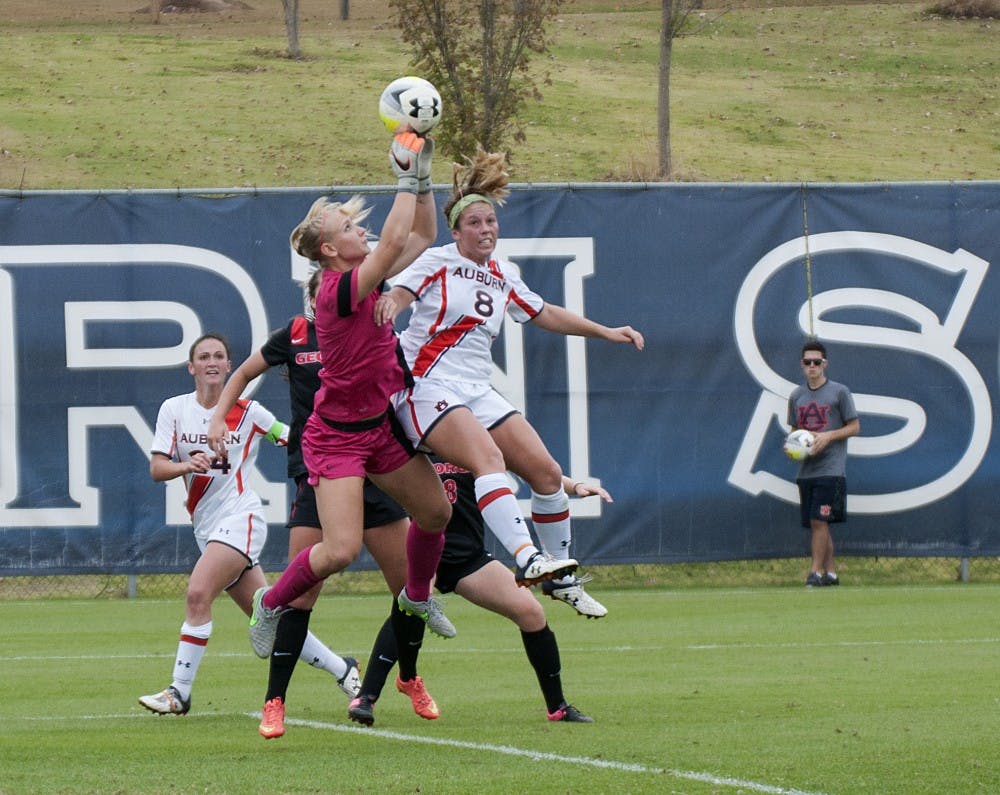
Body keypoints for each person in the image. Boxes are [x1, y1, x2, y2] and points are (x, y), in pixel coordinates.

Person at [213, 130, 457, 686]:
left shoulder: (366, 277)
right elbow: (396, 240)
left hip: (379, 430)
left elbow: (420, 231)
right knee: (341, 549)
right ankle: (270, 603)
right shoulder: (336, 290)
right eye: (348, 227)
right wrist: (403, 174)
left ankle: (417, 598)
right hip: (337, 436)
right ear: (328, 251)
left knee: (437, 512)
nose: (360, 230)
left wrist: (422, 176)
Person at [383, 147, 644, 618]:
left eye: (491, 222)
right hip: (425, 385)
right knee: (489, 460)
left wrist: (605, 331)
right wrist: (389, 307)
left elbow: (544, 313)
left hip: (475, 390)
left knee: (545, 473)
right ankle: (528, 559)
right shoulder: (436, 261)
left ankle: (560, 578)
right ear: (457, 230)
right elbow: (399, 294)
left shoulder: (503, 275)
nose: (486, 230)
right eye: (476, 223)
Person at [207, 272, 433, 739]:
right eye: (318, 293)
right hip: (321, 471)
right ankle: (274, 703)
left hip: (377, 469)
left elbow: (404, 390)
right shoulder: (293, 335)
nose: (328, 299)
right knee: (303, 593)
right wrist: (218, 417)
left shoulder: (371, 330)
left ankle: (390, 683)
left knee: (412, 590)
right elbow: (246, 372)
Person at [138, 333, 358, 716]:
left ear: (228, 367)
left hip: (242, 519)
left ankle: (179, 691)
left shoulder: (250, 413)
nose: (211, 362)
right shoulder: (174, 410)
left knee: (197, 594)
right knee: (271, 623)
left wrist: (336, 450)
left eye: (219, 356)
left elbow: (289, 439)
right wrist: (186, 465)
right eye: (203, 356)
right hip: (207, 527)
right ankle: (344, 670)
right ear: (191, 367)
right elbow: (158, 468)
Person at [348, 457, 604, 727]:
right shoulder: (411, 440)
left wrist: (573, 485)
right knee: (412, 604)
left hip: (467, 559)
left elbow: (526, 464)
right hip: (423, 552)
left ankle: (558, 708)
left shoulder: (465, 439)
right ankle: (367, 697)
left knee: (531, 613)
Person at [785, 340, 860, 587]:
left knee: (819, 520)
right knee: (818, 524)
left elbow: (854, 427)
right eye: (808, 362)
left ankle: (815, 572)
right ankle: (831, 573)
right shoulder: (796, 396)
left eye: (817, 362)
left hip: (831, 470)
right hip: (806, 471)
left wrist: (828, 436)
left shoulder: (840, 392)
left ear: (825, 364)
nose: (812, 366)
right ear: (802, 365)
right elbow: (795, 432)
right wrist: (793, 448)